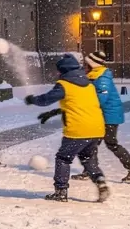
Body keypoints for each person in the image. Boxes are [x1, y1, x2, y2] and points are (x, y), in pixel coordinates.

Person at [24, 53, 109, 203]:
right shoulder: (89, 84)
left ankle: (61, 191)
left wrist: (32, 99)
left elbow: (46, 100)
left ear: (63, 71)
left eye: (58, 71)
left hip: (78, 129)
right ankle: (100, 181)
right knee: (87, 158)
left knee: (63, 158)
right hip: (97, 128)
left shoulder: (64, 85)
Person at [73, 50, 130, 183]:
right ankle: (90, 170)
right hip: (104, 116)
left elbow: (101, 98)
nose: (84, 67)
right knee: (93, 144)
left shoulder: (102, 77)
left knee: (109, 143)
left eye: (86, 64)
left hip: (108, 117)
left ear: (92, 65)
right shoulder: (95, 75)